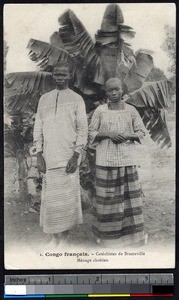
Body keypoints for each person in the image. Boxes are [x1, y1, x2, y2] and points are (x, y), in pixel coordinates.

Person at [33, 61, 88, 247]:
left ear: (69, 76)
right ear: (52, 75)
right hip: (49, 156)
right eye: (56, 74)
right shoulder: (44, 99)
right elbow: (38, 127)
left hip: (68, 156)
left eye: (63, 74)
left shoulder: (76, 99)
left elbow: (82, 129)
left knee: (66, 200)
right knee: (51, 200)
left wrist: (76, 154)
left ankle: (64, 239)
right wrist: (39, 154)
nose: (59, 77)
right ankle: (54, 238)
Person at [89, 77, 147, 248]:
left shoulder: (131, 111)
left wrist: (128, 135)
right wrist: (107, 134)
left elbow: (142, 133)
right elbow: (91, 132)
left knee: (128, 199)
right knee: (108, 200)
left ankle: (132, 238)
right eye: (110, 90)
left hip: (127, 160)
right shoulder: (100, 111)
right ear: (105, 92)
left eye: (117, 89)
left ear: (123, 90)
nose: (113, 93)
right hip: (105, 161)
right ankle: (108, 238)